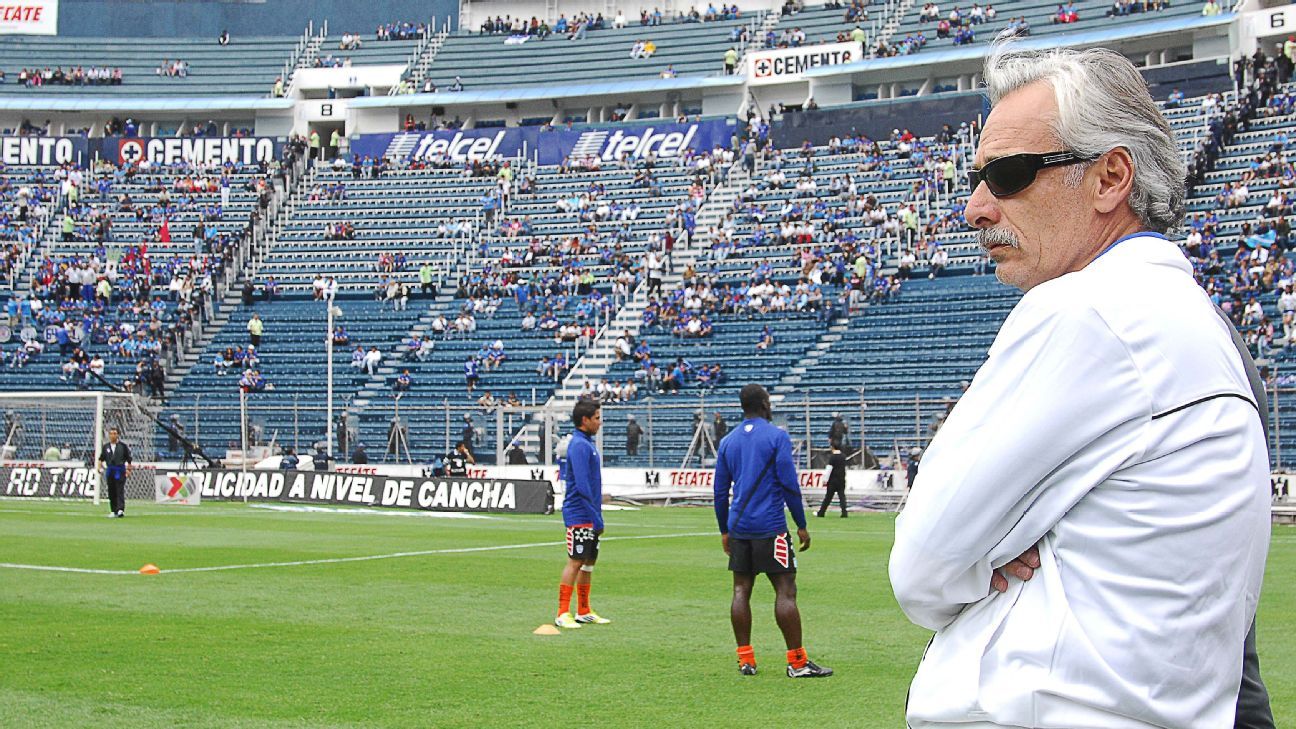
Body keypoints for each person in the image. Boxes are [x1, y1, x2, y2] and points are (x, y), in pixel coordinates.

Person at [890, 43, 1272, 728]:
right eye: (977, 178)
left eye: (1007, 174)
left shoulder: (1089, 310)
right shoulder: (1188, 320)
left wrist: (985, 554)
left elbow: (920, 567)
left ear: (1109, 178)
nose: (976, 208)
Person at [713, 383, 831, 678]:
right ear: (765, 404)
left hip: (739, 526)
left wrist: (724, 530)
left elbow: (719, 492)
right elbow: (789, 484)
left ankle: (746, 660)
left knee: (741, 590)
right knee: (785, 590)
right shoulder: (777, 437)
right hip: (771, 527)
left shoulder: (727, 441)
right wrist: (801, 524)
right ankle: (797, 662)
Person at [555, 398, 611, 629]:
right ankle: (562, 612)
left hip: (589, 513)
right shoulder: (579, 445)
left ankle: (584, 610)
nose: (600, 422)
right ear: (585, 420)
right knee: (576, 561)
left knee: (588, 562)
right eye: (597, 418)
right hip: (579, 514)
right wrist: (595, 517)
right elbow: (582, 485)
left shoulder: (586, 444)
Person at [97, 427, 131, 518]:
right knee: (111, 491)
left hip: (120, 470)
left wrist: (128, 470)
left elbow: (129, 459)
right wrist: (99, 468)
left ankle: (120, 509)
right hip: (110, 470)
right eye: (111, 434)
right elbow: (101, 459)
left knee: (119, 490)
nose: (113, 435)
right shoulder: (106, 447)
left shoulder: (123, 446)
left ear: (118, 435)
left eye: (115, 433)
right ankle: (113, 510)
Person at [816, 444, 847, 518]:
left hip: (833, 480)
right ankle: (844, 513)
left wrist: (825, 479)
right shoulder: (843, 457)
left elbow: (829, 469)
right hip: (841, 479)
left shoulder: (832, 457)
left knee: (828, 498)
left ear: (833, 448)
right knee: (842, 497)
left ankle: (821, 512)